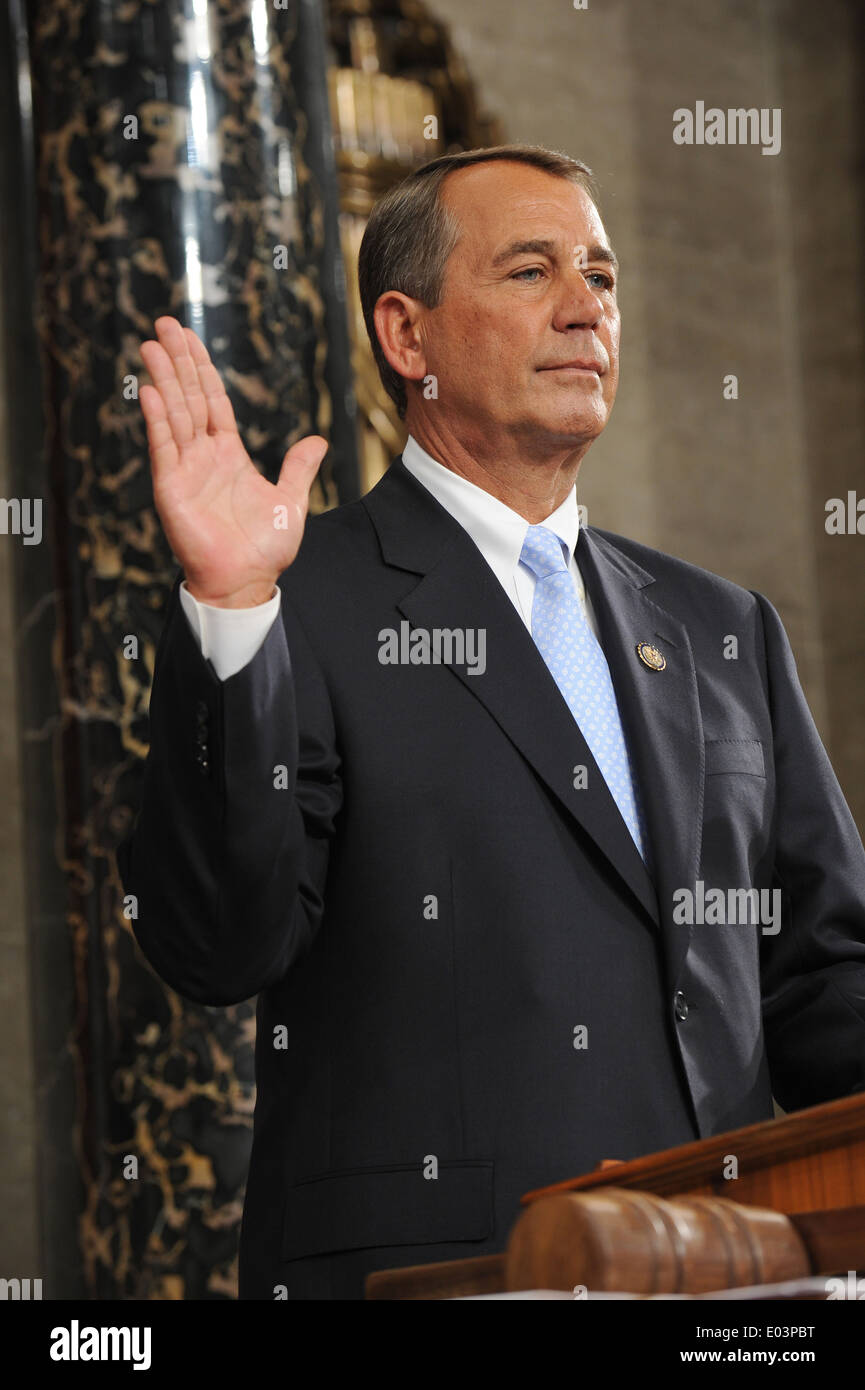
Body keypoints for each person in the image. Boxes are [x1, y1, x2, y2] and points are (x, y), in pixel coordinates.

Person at [119, 144, 865, 1301]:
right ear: (406, 337)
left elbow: (821, 972)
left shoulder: (726, 627)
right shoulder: (298, 603)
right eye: (531, 272)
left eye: (602, 277)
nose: (586, 309)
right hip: (447, 1273)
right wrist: (227, 612)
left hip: (728, 1278)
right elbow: (220, 942)